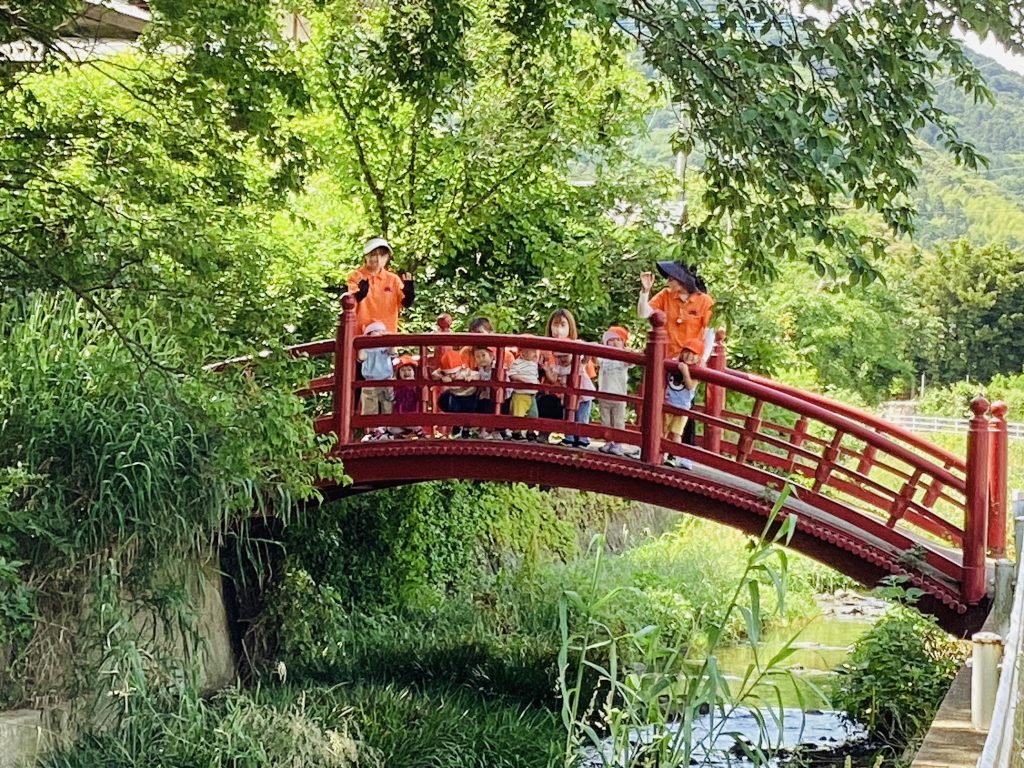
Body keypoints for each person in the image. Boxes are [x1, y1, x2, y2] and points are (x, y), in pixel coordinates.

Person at [537, 308, 595, 445]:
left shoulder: (578, 351)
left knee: (579, 411)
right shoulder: (543, 350)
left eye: (563, 325)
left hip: (576, 396)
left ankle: (580, 439)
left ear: (570, 327)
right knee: (544, 401)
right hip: (551, 396)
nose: (558, 329)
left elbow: (589, 371)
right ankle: (544, 433)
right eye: (555, 324)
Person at [637, 261, 713, 359]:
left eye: (671, 280)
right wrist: (645, 292)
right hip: (665, 357)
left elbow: (710, 332)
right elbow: (643, 314)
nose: (667, 283)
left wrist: (703, 359)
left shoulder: (705, 301)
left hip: (688, 359)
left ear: (681, 280)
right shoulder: (665, 294)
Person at [347, 236, 415, 334]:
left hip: (387, 334)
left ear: (387, 257)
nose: (378, 259)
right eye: (373, 254)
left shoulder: (393, 279)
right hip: (361, 335)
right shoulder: (356, 276)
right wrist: (359, 295)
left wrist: (409, 295)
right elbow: (349, 303)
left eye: (382, 255)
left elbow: (405, 303)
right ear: (366, 256)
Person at [664, 339, 702, 469]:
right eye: (686, 351)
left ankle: (672, 456)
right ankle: (659, 452)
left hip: (682, 408)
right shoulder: (674, 364)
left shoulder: (697, 371)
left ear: (699, 357)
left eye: (694, 354)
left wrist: (685, 372)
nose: (689, 356)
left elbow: (690, 386)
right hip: (668, 403)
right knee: (663, 430)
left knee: (676, 433)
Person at [597, 326, 632, 455]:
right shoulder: (603, 358)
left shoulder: (623, 358)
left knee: (618, 421)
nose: (615, 342)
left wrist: (628, 353)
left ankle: (618, 444)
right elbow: (596, 359)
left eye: (618, 340)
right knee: (606, 421)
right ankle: (608, 442)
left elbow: (631, 363)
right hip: (604, 394)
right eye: (611, 340)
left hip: (619, 395)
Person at [358, 321, 395, 440]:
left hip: (386, 379)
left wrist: (391, 341)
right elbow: (361, 357)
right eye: (378, 331)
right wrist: (362, 344)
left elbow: (393, 352)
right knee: (369, 406)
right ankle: (370, 431)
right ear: (370, 333)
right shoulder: (367, 347)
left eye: (383, 331)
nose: (381, 333)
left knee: (388, 404)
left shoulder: (385, 345)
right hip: (370, 380)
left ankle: (387, 430)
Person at [432, 348, 477, 438]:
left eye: (454, 373)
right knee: (454, 409)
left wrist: (471, 378)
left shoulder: (464, 370)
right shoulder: (443, 372)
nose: (452, 376)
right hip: (455, 394)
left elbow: (476, 374)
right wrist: (442, 377)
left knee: (468, 412)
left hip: (469, 394)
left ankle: (466, 430)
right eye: (449, 374)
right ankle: (456, 426)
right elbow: (434, 374)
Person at [506, 347, 541, 441]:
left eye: (535, 351)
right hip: (520, 394)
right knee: (518, 414)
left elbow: (535, 377)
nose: (535, 354)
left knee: (533, 414)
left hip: (532, 394)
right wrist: (523, 380)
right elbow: (512, 375)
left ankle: (531, 432)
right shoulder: (517, 363)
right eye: (532, 351)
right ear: (522, 353)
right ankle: (516, 433)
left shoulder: (534, 364)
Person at [391, 356, 424, 438]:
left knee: (415, 426)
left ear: (414, 372)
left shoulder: (417, 385)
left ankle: (416, 432)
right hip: (399, 417)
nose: (406, 372)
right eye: (402, 370)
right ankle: (404, 434)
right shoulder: (396, 386)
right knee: (392, 428)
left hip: (414, 416)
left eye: (409, 370)